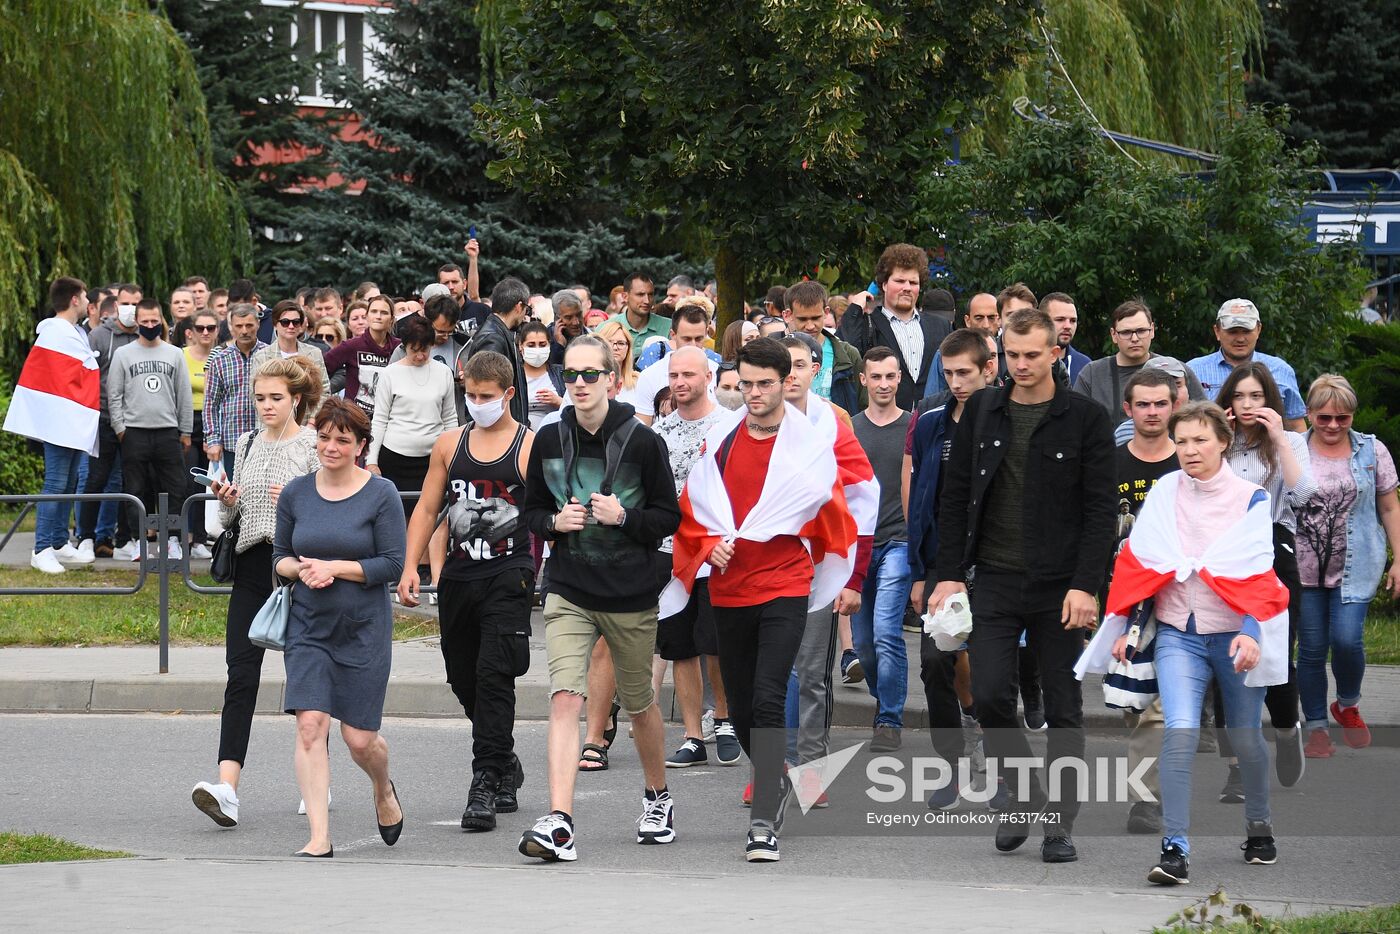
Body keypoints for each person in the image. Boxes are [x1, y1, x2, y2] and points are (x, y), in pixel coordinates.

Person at [663, 337, 866, 862]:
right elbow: (694, 510)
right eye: (746, 384)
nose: (753, 394)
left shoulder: (808, 444)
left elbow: (834, 508)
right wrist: (709, 547)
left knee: (771, 695)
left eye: (764, 384)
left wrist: (850, 575)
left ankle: (763, 821)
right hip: (730, 588)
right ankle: (775, 773)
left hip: (786, 583)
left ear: (785, 383)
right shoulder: (722, 440)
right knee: (745, 704)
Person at [929, 307, 1115, 864]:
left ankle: (1058, 824)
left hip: (1061, 587)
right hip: (996, 579)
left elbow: (1100, 511)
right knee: (987, 694)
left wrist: (1086, 585)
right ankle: (1022, 792)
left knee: (1062, 706)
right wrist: (946, 577)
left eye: (1033, 354)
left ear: (1057, 351)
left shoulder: (1087, 418)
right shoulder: (983, 409)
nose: (1023, 365)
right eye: (1012, 355)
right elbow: (955, 496)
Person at [1078, 401, 1290, 886]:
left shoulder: (1251, 498)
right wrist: (1130, 631)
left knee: (1244, 737)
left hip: (1236, 634)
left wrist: (1251, 633)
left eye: (1200, 440)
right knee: (1179, 731)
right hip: (1179, 634)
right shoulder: (1165, 490)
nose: (1190, 450)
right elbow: (1142, 561)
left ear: (1223, 441)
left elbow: (1258, 572)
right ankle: (1175, 847)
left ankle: (1258, 824)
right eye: (1183, 441)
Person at [517, 334, 681, 862]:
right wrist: (551, 522)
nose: (580, 384)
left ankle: (658, 797)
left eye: (591, 374)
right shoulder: (547, 440)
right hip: (568, 588)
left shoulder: (642, 441)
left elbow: (668, 518)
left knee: (638, 706)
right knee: (566, 697)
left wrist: (625, 517)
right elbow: (530, 511)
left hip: (630, 593)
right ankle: (560, 819)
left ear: (612, 378)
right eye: (572, 375)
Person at [397, 351, 534, 831]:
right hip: (457, 574)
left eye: (486, 397)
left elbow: (548, 511)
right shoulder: (449, 444)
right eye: (470, 395)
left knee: (495, 675)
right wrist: (410, 566)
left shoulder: (528, 446)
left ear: (508, 395)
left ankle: (486, 778)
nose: (477, 403)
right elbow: (427, 508)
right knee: (463, 677)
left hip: (508, 572)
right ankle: (506, 759)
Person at [273, 397, 407, 858]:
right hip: (308, 626)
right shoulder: (295, 493)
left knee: (359, 738)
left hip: (363, 628)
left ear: (360, 445)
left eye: (342, 440)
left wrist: (337, 567)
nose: (331, 447)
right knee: (310, 724)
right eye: (324, 437)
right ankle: (319, 836)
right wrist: (301, 570)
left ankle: (383, 789)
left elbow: (392, 563)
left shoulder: (381, 493)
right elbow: (280, 556)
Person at [191, 357, 321, 829]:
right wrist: (227, 500)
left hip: (300, 569)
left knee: (306, 679)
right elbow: (233, 522)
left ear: (297, 400)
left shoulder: (312, 445)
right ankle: (227, 787)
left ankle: (316, 780)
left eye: (276, 398)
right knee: (240, 676)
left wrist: (296, 497)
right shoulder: (245, 443)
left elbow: (327, 512)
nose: (266, 406)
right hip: (251, 566)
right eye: (260, 398)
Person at [907, 328, 999, 809]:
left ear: (990, 368)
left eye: (966, 371)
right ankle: (952, 764)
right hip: (942, 564)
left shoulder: (1008, 422)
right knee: (935, 661)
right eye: (949, 373)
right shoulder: (930, 423)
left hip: (998, 565)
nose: (957, 381)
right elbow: (923, 500)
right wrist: (920, 571)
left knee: (991, 668)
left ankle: (997, 756)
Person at [1296, 375, 1400, 757]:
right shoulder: (1293, 450)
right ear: (1308, 413)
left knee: (1346, 640)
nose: (1333, 426)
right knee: (1309, 649)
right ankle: (1317, 727)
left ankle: (1348, 703)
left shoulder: (1372, 451)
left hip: (1356, 564)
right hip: (1304, 568)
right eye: (1324, 417)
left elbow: (1389, 506)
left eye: (1343, 417)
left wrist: (1399, 559)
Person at [653, 347, 739, 769]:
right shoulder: (660, 432)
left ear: (709, 375)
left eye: (689, 373)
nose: (680, 381)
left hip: (717, 552)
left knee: (716, 643)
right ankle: (691, 735)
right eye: (674, 375)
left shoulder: (730, 425)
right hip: (671, 553)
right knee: (680, 646)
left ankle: (723, 718)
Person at [1109, 367, 1182, 835]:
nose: (1152, 412)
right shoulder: (1108, 463)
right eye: (1144, 404)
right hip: (1122, 597)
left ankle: (1147, 799)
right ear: (1128, 408)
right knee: (1134, 700)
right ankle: (1147, 787)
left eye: (1161, 404)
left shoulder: (1189, 463)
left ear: (1174, 406)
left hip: (1178, 598)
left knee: (1158, 702)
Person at [11, 277, 99, 573]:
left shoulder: (73, 332)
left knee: (70, 482)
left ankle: (59, 542)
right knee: (55, 483)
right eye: (86, 296)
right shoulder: (54, 333)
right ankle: (42, 548)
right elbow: (54, 379)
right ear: (75, 299)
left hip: (72, 419)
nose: (89, 302)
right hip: (59, 421)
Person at [849, 347, 913, 750]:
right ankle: (882, 699)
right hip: (858, 546)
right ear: (864, 380)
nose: (884, 384)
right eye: (877, 377)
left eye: (891, 377)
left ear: (899, 378)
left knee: (888, 631)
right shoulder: (851, 428)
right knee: (865, 645)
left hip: (900, 542)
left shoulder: (913, 425)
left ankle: (889, 718)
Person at [109, 299, 193, 561]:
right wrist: (120, 429)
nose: (149, 325)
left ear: (161, 320)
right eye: (144, 321)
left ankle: (173, 542)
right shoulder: (124, 354)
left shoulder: (174, 353)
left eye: (154, 321)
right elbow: (114, 395)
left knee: (175, 488)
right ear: (137, 322)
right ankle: (138, 541)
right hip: (134, 432)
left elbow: (184, 395)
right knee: (135, 489)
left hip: (168, 431)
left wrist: (186, 430)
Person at [367, 314, 458, 532]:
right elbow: (379, 418)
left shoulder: (443, 372)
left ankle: (428, 566)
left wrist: (454, 456)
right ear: (404, 346)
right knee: (399, 519)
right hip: (394, 457)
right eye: (413, 350)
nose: (419, 356)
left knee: (434, 519)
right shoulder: (390, 374)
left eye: (424, 349)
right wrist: (372, 460)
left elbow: (449, 418)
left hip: (432, 459)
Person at [837, 245, 953, 408]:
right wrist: (854, 310)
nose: (907, 288)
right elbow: (847, 353)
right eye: (899, 281)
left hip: (932, 422)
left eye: (913, 282)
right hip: (881, 424)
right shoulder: (866, 324)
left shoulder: (941, 326)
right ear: (884, 284)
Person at [76, 289, 140, 558]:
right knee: (96, 479)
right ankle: (86, 537)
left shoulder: (144, 336)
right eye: (125, 303)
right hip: (103, 419)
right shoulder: (99, 335)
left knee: (131, 481)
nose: (130, 308)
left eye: (136, 304)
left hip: (135, 421)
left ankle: (124, 538)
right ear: (116, 305)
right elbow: (87, 376)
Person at [1073, 299, 1205, 425]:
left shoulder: (1177, 370)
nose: (1134, 338)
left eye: (1141, 331)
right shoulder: (1092, 374)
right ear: (1113, 335)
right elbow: (1075, 422)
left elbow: (1204, 418)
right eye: (1126, 332)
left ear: (1152, 330)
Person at [1186, 299, 1307, 432]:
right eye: (1232, 332)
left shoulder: (1281, 370)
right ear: (1217, 331)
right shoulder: (1193, 370)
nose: (1240, 338)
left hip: (1270, 451)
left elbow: (1296, 424)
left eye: (1246, 331)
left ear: (1259, 330)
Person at [202, 305, 267, 479]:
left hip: (265, 440)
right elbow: (210, 404)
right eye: (239, 326)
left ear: (258, 324)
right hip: (231, 442)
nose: (244, 331)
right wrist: (213, 440)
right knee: (231, 497)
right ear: (231, 326)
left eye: (249, 325)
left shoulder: (269, 355)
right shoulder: (220, 360)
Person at [784, 280, 865, 414]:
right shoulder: (775, 355)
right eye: (802, 319)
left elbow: (863, 405)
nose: (810, 326)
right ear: (788, 315)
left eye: (816, 318)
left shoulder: (848, 354)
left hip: (838, 431)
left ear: (826, 312)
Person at [632, 306, 718, 424]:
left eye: (698, 339)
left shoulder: (717, 371)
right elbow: (644, 426)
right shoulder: (650, 376)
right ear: (673, 335)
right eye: (687, 339)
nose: (693, 345)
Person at [390, 294, 468, 423]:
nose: (446, 337)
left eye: (450, 331)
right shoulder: (405, 349)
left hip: (453, 422)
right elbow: (389, 386)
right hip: (412, 423)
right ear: (426, 320)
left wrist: (469, 382)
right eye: (440, 331)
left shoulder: (465, 346)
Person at [324, 294, 401, 421]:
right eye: (374, 311)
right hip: (354, 420)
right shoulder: (351, 346)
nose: (378, 316)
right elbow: (320, 370)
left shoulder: (400, 348)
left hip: (390, 420)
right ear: (368, 316)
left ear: (392, 319)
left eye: (384, 312)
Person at [466, 277, 531, 426]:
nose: (525, 315)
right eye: (526, 309)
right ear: (519, 306)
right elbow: (486, 390)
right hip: (497, 429)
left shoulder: (500, 333)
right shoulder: (493, 339)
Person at [182, 309, 220, 557]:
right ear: (191, 332)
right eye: (200, 328)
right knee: (187, 481)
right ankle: (184, 536)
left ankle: (201, 538)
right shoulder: (181, 355)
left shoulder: (220, 355)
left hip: (212, 423)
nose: (205, 332)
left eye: (211, 328)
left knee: (208, 483)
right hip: (187, 421)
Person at [250, 300, 331, 403]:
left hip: (308, 417)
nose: (291, 326)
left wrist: (313, 418)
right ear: (275, 324)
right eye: (285, 322)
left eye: (296, 322)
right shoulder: (261, 356)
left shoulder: (314, 353)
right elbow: (254, 395)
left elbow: (324, 391)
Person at [520, 321, 565, 431]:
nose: (537, 350)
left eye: (542, 344)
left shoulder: (561, 373)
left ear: (549, 345)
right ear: (521, 347)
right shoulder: (513, 376)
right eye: (531, 345)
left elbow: (576, 407)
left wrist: (559, 401)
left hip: (555, 434)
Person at [1039, 292, 1091, 387]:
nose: (1068, 326)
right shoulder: (1023, 361)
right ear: (1041, 321)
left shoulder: (1086, 366)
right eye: (1060, 319)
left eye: (1073, 321)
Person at [608, 272, 670, 347]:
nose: (647, 301)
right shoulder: (606, 328)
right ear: (625, 297)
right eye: (640, 295)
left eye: (650, 294)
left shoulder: (669, 327)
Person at [593, 319, 640, 408]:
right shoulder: (586, 378)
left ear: (628, 348)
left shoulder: (640, 381)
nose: (615, 347)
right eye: (609, 342)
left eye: (620, 343)